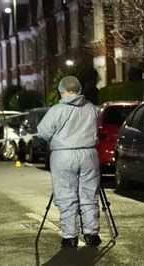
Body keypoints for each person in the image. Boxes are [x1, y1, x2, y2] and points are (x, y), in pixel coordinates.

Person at [37, 76, 101, 248]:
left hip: (64, 155)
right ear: (79, 90)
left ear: (62, 90)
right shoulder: (91, 108)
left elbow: (43, 132)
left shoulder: (57, 110)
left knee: (66, 195)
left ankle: (70, 235)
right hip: (89, 155)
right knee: (89, 194)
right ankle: (92, 233)